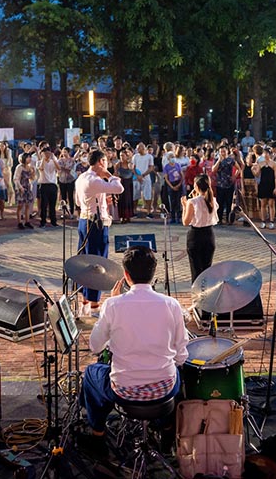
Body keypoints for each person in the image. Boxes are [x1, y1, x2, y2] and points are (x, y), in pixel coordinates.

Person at [79, 246, 188, 454]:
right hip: (164, 389)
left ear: (126, 275)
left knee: (92, 373)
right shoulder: (172, 304)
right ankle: (167, 430)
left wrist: (108, 307)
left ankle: (98, 436)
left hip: (124, 391)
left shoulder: (112, 305)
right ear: (153, 273)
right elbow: (182, 356)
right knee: (178, 373)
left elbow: (95, 346)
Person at [74, 150, 125, 314]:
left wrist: (100, 200)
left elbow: (78, 201)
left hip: (84, 220)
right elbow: (119, 188)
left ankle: (85, 301)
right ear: (100, 162)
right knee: (98, 263)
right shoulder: (95, 179)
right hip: (95, 224)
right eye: (105, 161)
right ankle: (94, 305)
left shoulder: (82, 177)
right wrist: (109, 175)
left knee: (85, 261)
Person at [182, 174, 219, 282]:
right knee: (207, 268)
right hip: (209, 235)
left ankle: (197, 290)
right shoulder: (212, 200)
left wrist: (184, 206)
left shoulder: (192, 202)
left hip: (196, 236)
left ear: (197, 186)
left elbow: (185, 222)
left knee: (196, 269)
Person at [253, 147, 276, 229]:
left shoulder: (274, 164)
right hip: (263, 185)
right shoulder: (261, 164)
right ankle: (263, 221)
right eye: (265, 153)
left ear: (270, 154)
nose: (266, 155)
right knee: (263, 204)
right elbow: (257, 175)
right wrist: (253, 169)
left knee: (271, 204)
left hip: (271, 185)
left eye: (267, 153)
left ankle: (271, 221)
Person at [38, 146, 59, 227]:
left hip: (53, 184)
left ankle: (53, 220)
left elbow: (59, 168)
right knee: (44, 204)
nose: (47, 155)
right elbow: (41, 168)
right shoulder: (39, 162)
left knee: (52, 204)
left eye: (48, 153)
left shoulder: (53, 161)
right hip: (44, 184)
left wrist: (53, 159)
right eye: (45, 153)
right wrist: (43, 159)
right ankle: (43, 221)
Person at [14, 152, 36, 230]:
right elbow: (16, 178)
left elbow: (32, 178)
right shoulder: (19, 167)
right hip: (21, 187)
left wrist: (33, 172)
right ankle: (19, 222)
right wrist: (20, 187)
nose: (29, 159)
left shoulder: (29, 167)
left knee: (28, 205)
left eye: (30, 157)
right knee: (20, 205)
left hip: (28, 187)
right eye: (28, 157)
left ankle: (27, 221)